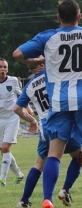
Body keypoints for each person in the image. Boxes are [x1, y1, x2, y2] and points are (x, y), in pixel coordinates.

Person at [13, 0, 82, 208]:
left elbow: (17, 54)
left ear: (58, 18)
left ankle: (47, 199)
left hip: (58, 102)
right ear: (79, 17)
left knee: (54, 154)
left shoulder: (48, 36)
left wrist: (32, 62)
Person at [14, 61, 82, 208]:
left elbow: (17, 108)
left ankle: (24, 200)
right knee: (79, 157)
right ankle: (64, 190)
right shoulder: (52, 75)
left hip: (45, 128)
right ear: (41, 65)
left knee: (39, 164)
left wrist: (32, 120)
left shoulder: (29, 86)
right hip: (61, 122)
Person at [0, 57, 26, 187]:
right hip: (0, 119)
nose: (2, 69)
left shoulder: (13, 80)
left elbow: (22, 95)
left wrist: (28, 108)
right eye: (0, 67)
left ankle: (2, 180)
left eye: (4, 67)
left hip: (12, 117)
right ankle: (19, 175)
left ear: (7, 69)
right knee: (4, 151)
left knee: (5, 147)